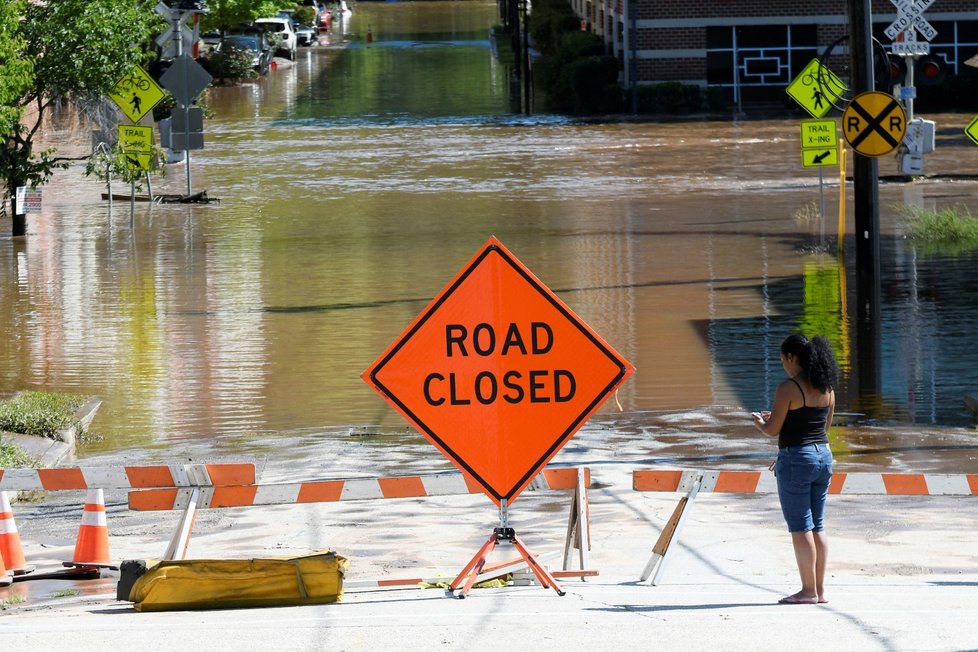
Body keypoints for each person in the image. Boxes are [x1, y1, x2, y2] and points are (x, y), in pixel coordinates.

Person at [752, 333, 839, 605]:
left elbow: (772, 429)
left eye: (783, 360)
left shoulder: (789, 388)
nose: (784, 366)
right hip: (823, 457)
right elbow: (822, 428)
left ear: (791, 357)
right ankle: (820, 590)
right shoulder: (827, 389)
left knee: (800, 528)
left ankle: (807, 591)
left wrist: (759, 421)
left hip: (797, 458)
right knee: (818, 526)